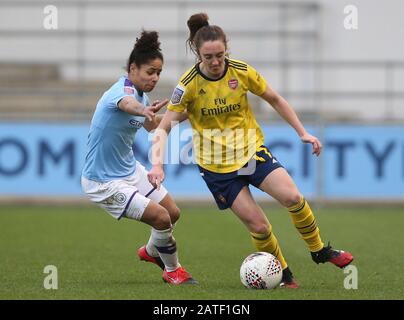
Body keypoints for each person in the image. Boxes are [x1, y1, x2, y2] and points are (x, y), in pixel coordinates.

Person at [148, 13, 353, 288]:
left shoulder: (241, 71)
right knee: (260, 227)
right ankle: (285, 276)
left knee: (293, 196)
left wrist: (303, 132)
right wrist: (158, 164)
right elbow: (163, 128)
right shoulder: (187, 85)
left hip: (251, 153)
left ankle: (319, 251)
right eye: (208, 57)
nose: (215, 61)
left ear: (226, 49)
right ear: (198, 53)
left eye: (219, 54)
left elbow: (275, 98)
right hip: (217, 169)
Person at [81, 30, 197, 285]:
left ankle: (151, 250)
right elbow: (126, 105)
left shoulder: (141, 95)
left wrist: (191, 111)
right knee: (161, 218)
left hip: (129, 171)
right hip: (103, 182)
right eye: (150, 72)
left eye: (158, 72)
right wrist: (142, 109)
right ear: (133, 68)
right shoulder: (121, 91)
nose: (155, 78)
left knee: (172, 212)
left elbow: (155, 126)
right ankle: (173, 270)